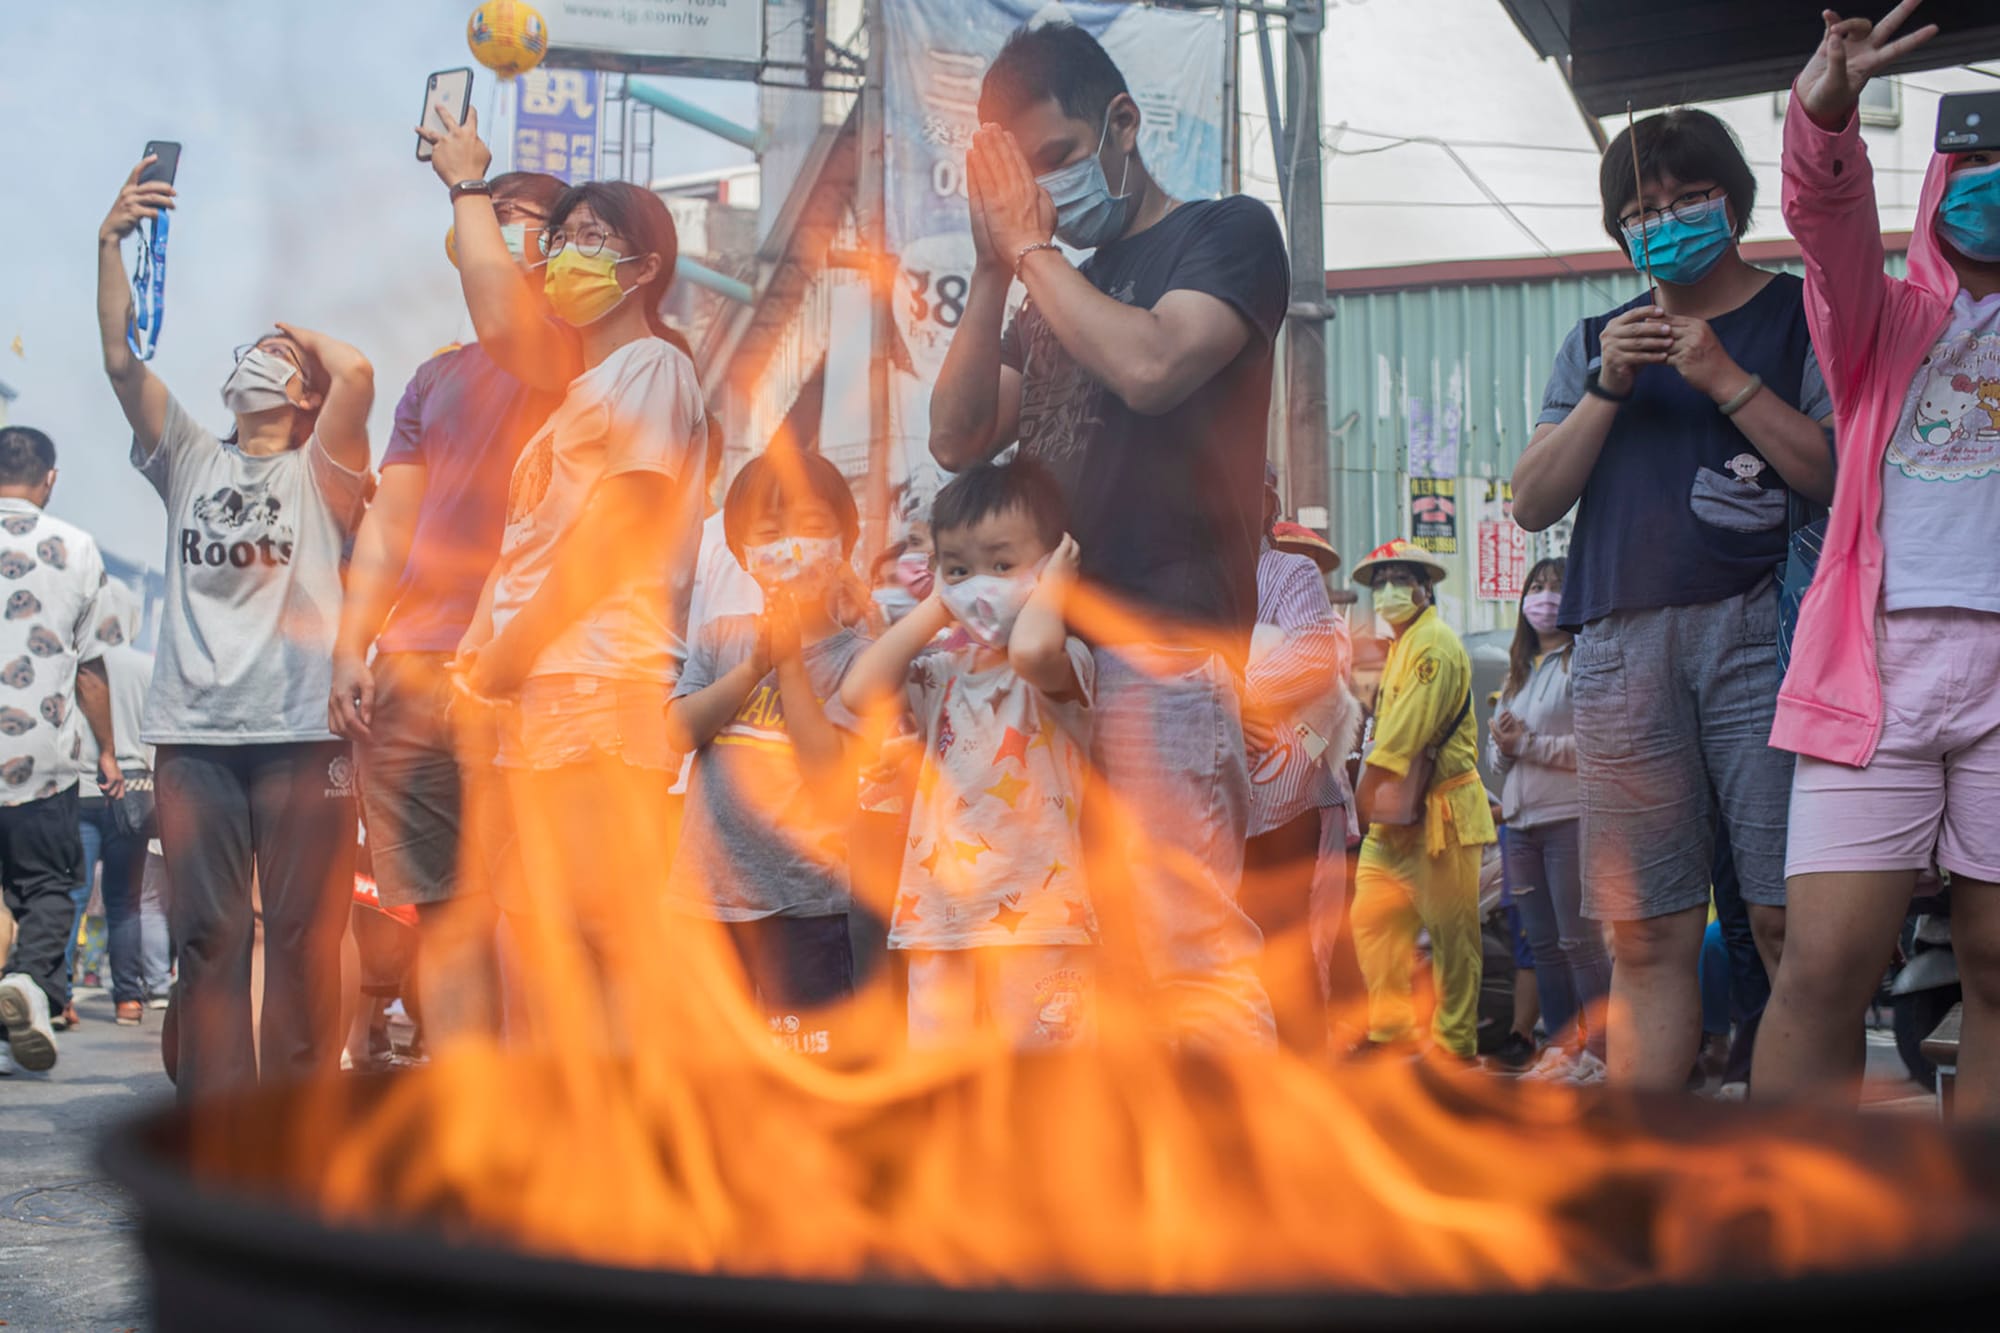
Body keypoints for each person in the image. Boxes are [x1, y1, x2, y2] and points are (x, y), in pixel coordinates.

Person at [928, 20, 1289, 1044]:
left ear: (1121, 124)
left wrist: (1031, 249)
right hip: (1042, 658)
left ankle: (1246, 1181)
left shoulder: (1224, 232)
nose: (1037, 194)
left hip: (1162, 641)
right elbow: (957, 436)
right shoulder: (1040, 286)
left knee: (1183, 953)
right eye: (1017, 179)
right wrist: (993, 266)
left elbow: (1152, 365)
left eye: (1055, 160)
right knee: (1056, 958)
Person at [1510, 105, 1836, 1090]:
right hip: (1616, 645)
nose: (1664, 218)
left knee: (1789, 925)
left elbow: (1832, 472)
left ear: (1730, 202)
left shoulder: (1795, 316)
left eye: (1686, 197)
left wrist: (1725, 379)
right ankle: (1651, 1194)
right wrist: (1608, 384)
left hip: (1761, 634)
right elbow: (1531, 500)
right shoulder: (1592, 341)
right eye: (1641, 207)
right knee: (1646, 936)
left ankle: (1810, 1201)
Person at [1756, 5, 2000, 1114]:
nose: (1989, 188)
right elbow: (1823, 209)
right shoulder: (1877, 319)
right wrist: (1824, 105)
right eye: (1973, 167)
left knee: (1997, 971)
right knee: (1819, 971)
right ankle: (1774, 1245)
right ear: (1938, 182)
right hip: (1878, 673)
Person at [96, 157, 373, 1100]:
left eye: (279, 359)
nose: (259, 358)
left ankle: (296, 1121)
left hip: (305, 737)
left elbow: (361, 372)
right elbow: (122, 360)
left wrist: (300, 335)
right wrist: (110, 242)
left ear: (302, 399)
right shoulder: (188, 461)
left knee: (302, 937)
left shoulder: (324, 473)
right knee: (211, 936)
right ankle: (216, 1122)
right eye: (251, 351)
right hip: (197, 738)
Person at [447, 179, 706, 1048]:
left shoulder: (656, 368)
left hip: (603, 680)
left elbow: (621, 529)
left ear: (643, 266)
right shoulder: (572, 397)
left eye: (592, 236)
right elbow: (526, 549)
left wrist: (511, 649)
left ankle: (619, 1145)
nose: (565, 253)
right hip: (543, 693)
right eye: (560, 238)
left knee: (603, 934)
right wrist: (481, 653)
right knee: (545, 932)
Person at [327, 170, 566, 1047]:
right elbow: (391, 524)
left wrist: (465, 179)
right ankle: (471, 1116)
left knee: (533, 906)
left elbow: (505, 318)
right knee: (446, 911)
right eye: (488, 219)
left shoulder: (570, 351)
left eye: (521, 222)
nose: (497, 234)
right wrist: (356, 644)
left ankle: (548, 1111)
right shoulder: (432, 379)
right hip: (417, 667)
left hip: (527, 667)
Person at [840, 459, 1097, 1049]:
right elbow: (859, 690)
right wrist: (942, 601)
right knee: (943, 1088)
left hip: (1039, 923)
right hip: (939, 921)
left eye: (1002, 565)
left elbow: (1032, 651)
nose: (980, 583)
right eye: (960, 567)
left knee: (1045, 1087)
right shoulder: (942, 674)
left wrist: (1053, 587)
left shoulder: (1066, 665)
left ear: (1053, 564)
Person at [666, 450, 871, 1045]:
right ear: (741, 554)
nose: (791, 548)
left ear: (845, 544)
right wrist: (755, 664)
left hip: (803, 908)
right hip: (705, 903)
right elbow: (680, 731)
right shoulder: (720, 640)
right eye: (770, 533)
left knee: (809, 1067)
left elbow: (828, 772)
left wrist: (790, 668)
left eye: (811, 529)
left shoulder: (855, 661)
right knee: (707, 1066)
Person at [0, 427, 121, 1075]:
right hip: (41, 755)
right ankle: (30, 982)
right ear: (50, 479)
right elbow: (91, 667)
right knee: (48, 884)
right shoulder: (76, 548)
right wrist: (106, 750)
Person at [1347, 540, 1495, 1062]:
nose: (1388, 590)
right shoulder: (1404, 645)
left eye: (1399, 579)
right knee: (1373, 922)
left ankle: (1456, 1045)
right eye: (1380, 581)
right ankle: (1391, 1031)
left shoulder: (1433, 645)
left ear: (1424, 588)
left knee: (1453, 935)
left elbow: (1404, 735)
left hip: (1440, 816)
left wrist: (1361, 794)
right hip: (1394, 815)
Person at [1240, 467, 1356, 1055]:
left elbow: (1312, 656)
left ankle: (1304, 1089)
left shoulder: (1288, 571)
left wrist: (1228, 695)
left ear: (1265, 505)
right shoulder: (1183, 579)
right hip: (1207, 798)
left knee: (1285, 951)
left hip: (1281, 806)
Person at [1488, 558, 1610, 1085]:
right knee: (1542, 944)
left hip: (1569, 818)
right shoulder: (1520, 672)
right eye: (1535, 588)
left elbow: (1598, 748)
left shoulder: (1581, 662)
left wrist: (1528, 744)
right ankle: (1562, 1047)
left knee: (1579, 942)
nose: (1542, 598)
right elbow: (1498, 762)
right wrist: (1505, 745)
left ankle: (1603, 1053)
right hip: (1521, 822)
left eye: (1556, 588)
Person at [58, 580, 156, 1028]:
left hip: (81, 785)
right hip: (134, 791)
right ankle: (128, 1000)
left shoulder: (75, 663)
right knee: (126, 902)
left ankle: (59, 997)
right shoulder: (146, 667)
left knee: (73, 895)